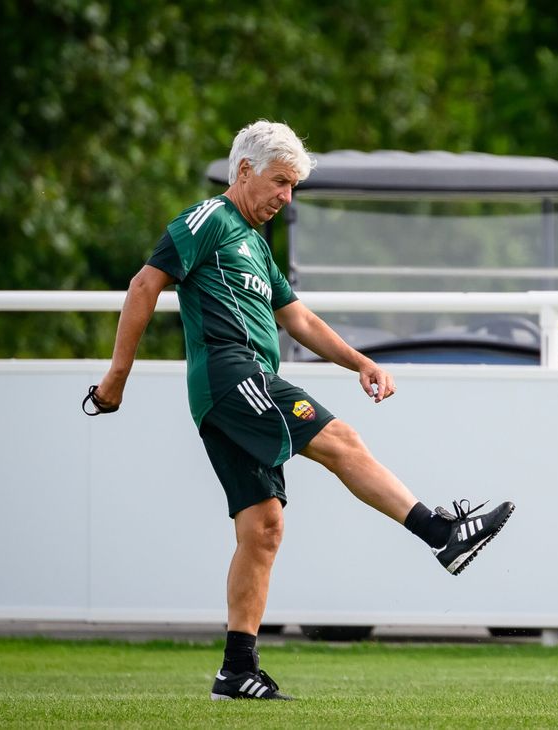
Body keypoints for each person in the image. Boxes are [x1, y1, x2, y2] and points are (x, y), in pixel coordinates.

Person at [83, 120, 515, 701]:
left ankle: (236, 671)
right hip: (234, 378)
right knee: (344, 442)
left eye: (293, 187)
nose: (286, 198)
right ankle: (441, 532)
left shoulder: (255, 244)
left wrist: (359, 360)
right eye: (280, 182)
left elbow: (300, 320)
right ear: (244, 171)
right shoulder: (208, 219)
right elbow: (143, 286)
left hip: (235, 392)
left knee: (263, 529)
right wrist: (116, 378)